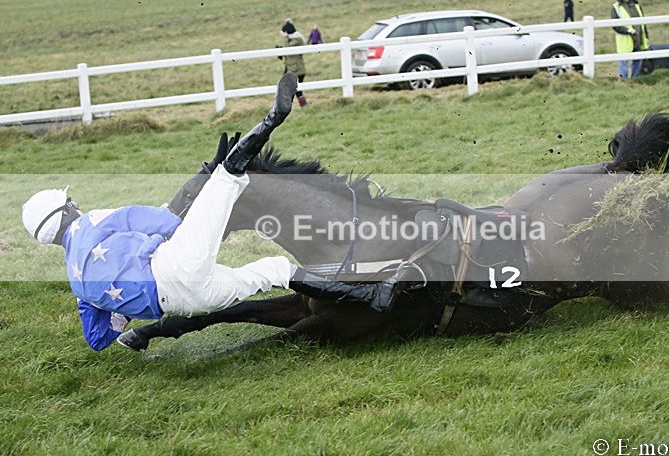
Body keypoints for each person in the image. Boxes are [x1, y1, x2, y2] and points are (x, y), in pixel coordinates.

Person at [21, 73, 398, 352]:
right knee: (225, 178)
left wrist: (121, 309)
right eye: (70, 203)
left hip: (185, 302)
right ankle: (273, 118)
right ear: (67, 209)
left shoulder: (78, 286)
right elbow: (163, 222)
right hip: (177, 266)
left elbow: (98, 340)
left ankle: (370, 298)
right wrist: (181, 229)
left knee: (273, 269)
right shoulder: (95, 220)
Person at [611, 0, 650, 79]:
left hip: (638, 39)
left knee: (638, 60)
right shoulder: (616, 8)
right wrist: (627, 30)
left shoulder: (637, 6)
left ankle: (635, 79)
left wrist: (646, 36)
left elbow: (643, 23)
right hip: (625, 40)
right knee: (623, 63)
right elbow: (615, 25)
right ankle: (623, 80)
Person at [279, 20, 308, 107]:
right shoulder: (293, 39)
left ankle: (288, 106)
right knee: (295, 90)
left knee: (294, 90)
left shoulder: (296, 40)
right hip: (291, 68)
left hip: (296, 69)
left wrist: (285, 36)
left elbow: (288, 48)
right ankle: (303, 105)